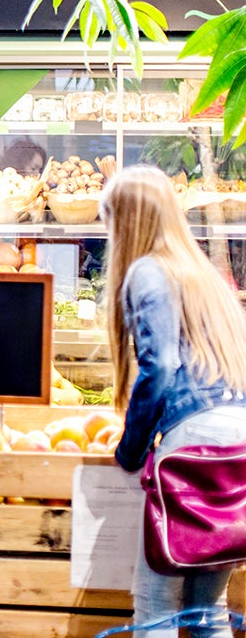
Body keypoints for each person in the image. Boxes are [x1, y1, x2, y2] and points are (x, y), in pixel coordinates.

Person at [99, 165, 246, 638]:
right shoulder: (201, 273)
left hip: (191, 444)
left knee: (157, 604)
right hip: (237, 444)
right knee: (209, 610)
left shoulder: (147, 271)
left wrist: (130, 448)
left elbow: (159, 365)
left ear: (125, 221)